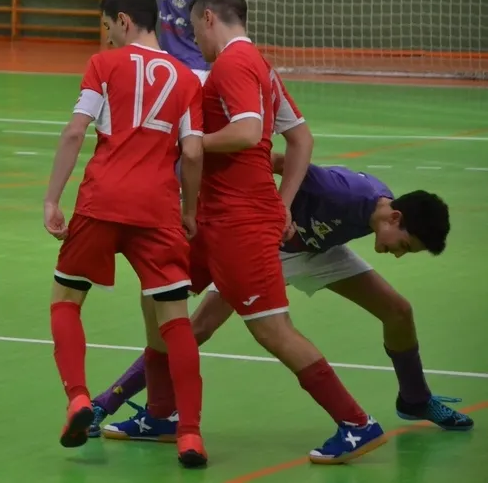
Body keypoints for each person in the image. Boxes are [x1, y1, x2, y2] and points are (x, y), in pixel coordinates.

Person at [133, 0, 387, 465]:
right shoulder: (261, 67)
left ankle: (357, 423)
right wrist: (284, 203)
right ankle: (162, 413)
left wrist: (192, 142)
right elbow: (302, 139)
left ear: (209, 18)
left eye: (195, 29)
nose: (196, 41)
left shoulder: (233, 63)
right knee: (157, 289)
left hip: (239, 224)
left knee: (272, 330)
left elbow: (249, 132)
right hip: (214, 218)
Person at [91, 157, 471, 442]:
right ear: (395, 218)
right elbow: (275, 161)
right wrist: (276, 208)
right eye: (404, 246)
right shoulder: (344, 191)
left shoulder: (376, 213)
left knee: (398, 311)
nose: (398, 254)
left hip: (318, 249)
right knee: (199, 327)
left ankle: (415, 399)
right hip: (267, 246)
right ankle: (106, 402)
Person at [43, 0, 208, 467]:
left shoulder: (104, 65)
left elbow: (76, 131)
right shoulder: (187, 79)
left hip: (102, 201)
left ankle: (78, 398)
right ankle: (190, 434)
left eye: (108, 26)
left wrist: (52, 199)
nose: (108, 36)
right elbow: (193, 152)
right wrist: (190, 211)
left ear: (124, 21)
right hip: (158, 208)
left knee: (66, 299)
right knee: (174, 321)